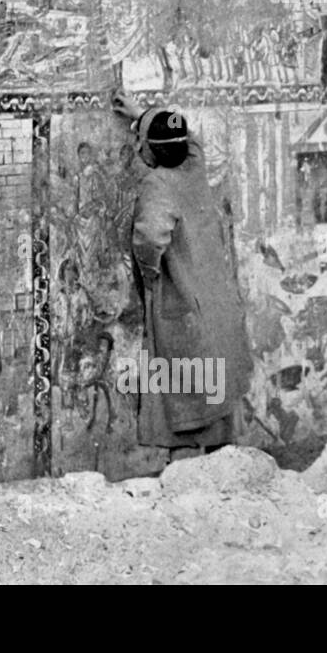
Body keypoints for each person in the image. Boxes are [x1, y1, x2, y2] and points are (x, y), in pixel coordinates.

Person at [111, 91, 253, 463]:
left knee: (186, 395)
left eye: (143, 143)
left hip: (184, 300)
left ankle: (188, 483)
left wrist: (150, 275)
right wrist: (143, 117)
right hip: (216, 300)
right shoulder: (194, 165)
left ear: (152, 153)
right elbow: (187, 138)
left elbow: (149, 239)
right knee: (216, 392)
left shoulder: (158, 185)